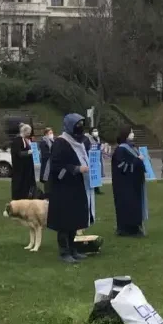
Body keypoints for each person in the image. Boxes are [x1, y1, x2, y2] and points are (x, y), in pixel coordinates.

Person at [47, 113, 95, 264]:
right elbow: (56, 166)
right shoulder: (60, 143)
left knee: (74, 220)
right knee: (64, 221)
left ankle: (73, 249)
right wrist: (76, 169)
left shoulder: (79, 142)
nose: (80, 128)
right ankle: (64, 251)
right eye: (77, 125)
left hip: (76, 186)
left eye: (82, 124)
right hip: (63, 188)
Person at [111, 126, 148, 237]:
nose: (133, 134)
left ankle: (134, 226)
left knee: (134, 205)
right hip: (125, 185)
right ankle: (127, 229)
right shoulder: (121, 150)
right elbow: (122, 166)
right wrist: (138, 160)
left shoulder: (132, 148)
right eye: (131, 132)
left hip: (134, 184)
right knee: (127, 206)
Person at [11, 123, 37, 200]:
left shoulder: (27, 140)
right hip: (20, 169)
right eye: (29, 131)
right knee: (19, 185)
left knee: (27, 185)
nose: (30, 133)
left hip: (27, 169)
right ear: (24, 131)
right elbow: (18, 153)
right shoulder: (17, 140)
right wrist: (29, 152)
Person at [85, 128, 104, 195]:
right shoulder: (88, 139)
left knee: (97, 173)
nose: (96, 132)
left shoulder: (98, 138)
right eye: (94, 131)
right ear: (91, 132)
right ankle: (93, 188)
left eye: (96, 131)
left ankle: (97, 189)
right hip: (91, 159)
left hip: (97, 158)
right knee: (93, 174)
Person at [38, 128, 54, 197]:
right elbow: (45, 154)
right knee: (47, 183)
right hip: (46, 166)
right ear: (46, 134)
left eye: (52, 133)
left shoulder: (53, 141)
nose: (52, 134)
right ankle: (47, 197)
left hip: (52, 165)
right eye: (50, 133)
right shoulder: (43, 142)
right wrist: (53, 154)